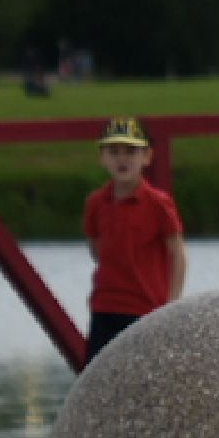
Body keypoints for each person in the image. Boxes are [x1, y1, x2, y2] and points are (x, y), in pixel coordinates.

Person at [81, 116, 187, 364]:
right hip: (105, 306)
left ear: (147, 157)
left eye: (131, 151)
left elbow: (177, 253)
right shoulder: (96, 202)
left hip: (145, 307)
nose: (122, 159)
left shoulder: (158, 203)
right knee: (98, 377)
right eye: (114, 152)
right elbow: (95, 245)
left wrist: (172, 303)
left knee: (145, 376)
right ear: (102, 157)